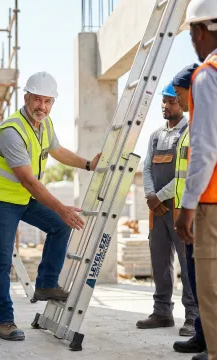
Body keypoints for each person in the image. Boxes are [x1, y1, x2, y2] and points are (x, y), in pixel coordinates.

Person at [0, 71, 101, 341]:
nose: (42, 107)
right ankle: (4, 321)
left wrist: (89, 164)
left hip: (22, 198)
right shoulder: (11, 132)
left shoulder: (44, 125)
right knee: (1, 260)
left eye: (48, 101)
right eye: (37, 100)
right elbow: (29, 182)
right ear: (26, 98)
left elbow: (57, 151)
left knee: (59, 226)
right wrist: (61, 207)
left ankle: (45, 284)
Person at [137, 82, 198, 335]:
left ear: (181, 104)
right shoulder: (155, 135)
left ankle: (193, 317)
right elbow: (147, 168)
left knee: (187, 263)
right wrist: (150, 195)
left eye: (171, 101)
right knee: (160, 261)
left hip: (179, 209)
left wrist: (159, 197)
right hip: (157, 210)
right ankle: (162, 312)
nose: (166, 105)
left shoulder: (191, 132)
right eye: (163, 101)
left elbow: (186, 173)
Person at [176, 1, 217, 359]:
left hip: (212, 202)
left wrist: (187, 207)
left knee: (211, 289)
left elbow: (204, 150)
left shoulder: (208, 73)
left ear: (199, 31)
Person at [172, 63, 208, 360]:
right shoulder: (195, 118)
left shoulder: (204, 116)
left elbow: (204, 158)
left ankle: (210, 339)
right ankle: (202, 333)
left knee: (206, 276)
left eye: (179, 93)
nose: (176, 99)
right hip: (196, 204)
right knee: (196, 274)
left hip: (204, 206)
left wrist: (188, 207)